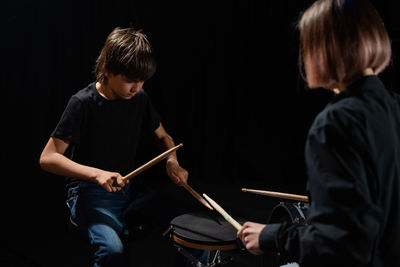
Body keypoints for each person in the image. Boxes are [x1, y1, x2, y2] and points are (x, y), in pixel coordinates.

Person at [237, 0, 400, 266]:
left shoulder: (336, 124)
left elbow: (338, 245)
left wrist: (272, 236)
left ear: (325, 50)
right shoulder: (395, 107)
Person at [39, 27, 202, 267]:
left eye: (142, 81)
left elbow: (164, 137)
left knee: (196, 235)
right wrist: (97, 174)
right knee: (113, 252)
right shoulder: (82, 103)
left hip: (131, 189)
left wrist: (172, 162)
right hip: (88, 192)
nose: (137, 87)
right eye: (129, 81)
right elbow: (48, 158)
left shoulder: (139, 98)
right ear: (107, 70)